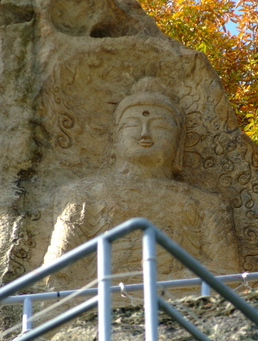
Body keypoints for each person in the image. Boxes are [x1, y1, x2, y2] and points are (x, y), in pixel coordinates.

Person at [43, 78, 241, 288]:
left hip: (182, 301)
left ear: (179, 142)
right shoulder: (82, 195)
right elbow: (56, 274)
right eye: (132, 125)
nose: (145, 134)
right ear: (114, 138)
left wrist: (154, 280)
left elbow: (227, 277)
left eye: (160, 126)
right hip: (100, 299)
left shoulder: (206, 204)